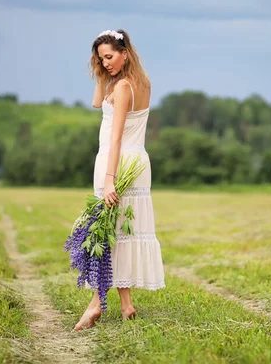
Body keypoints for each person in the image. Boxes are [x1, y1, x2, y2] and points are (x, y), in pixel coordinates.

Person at [74, 29, 165, 331]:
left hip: (118, 162)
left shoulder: (124, 87)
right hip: (137, 160)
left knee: (105, 234)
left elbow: (115, 139)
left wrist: (110, 179)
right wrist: (103, 74)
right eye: (101, 59)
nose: (105, 63)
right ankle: (126, 306)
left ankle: (95, 305)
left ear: (125, 53)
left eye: (110, 57)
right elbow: (98, 103)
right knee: (118, 232)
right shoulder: (141, 82)